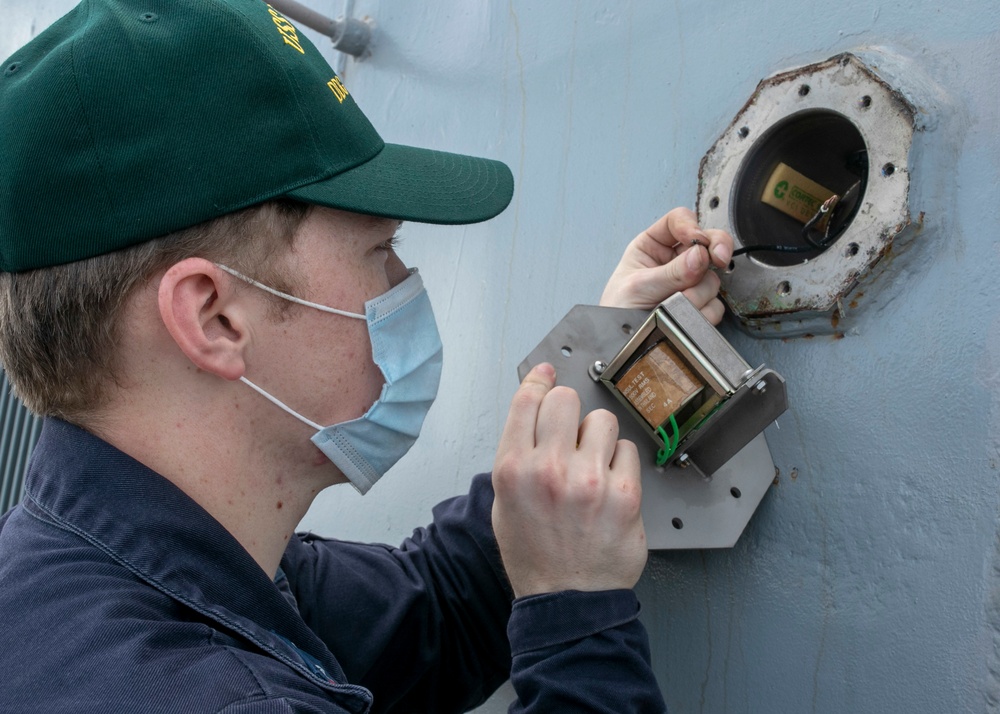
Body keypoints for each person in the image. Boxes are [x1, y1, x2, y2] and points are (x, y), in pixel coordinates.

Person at [0, 0, 733, 712]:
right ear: (215, 317)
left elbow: (434, 617)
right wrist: (579, 615)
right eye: (382, 250)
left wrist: (613, 361)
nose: (405, 286)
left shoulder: (136, 562)